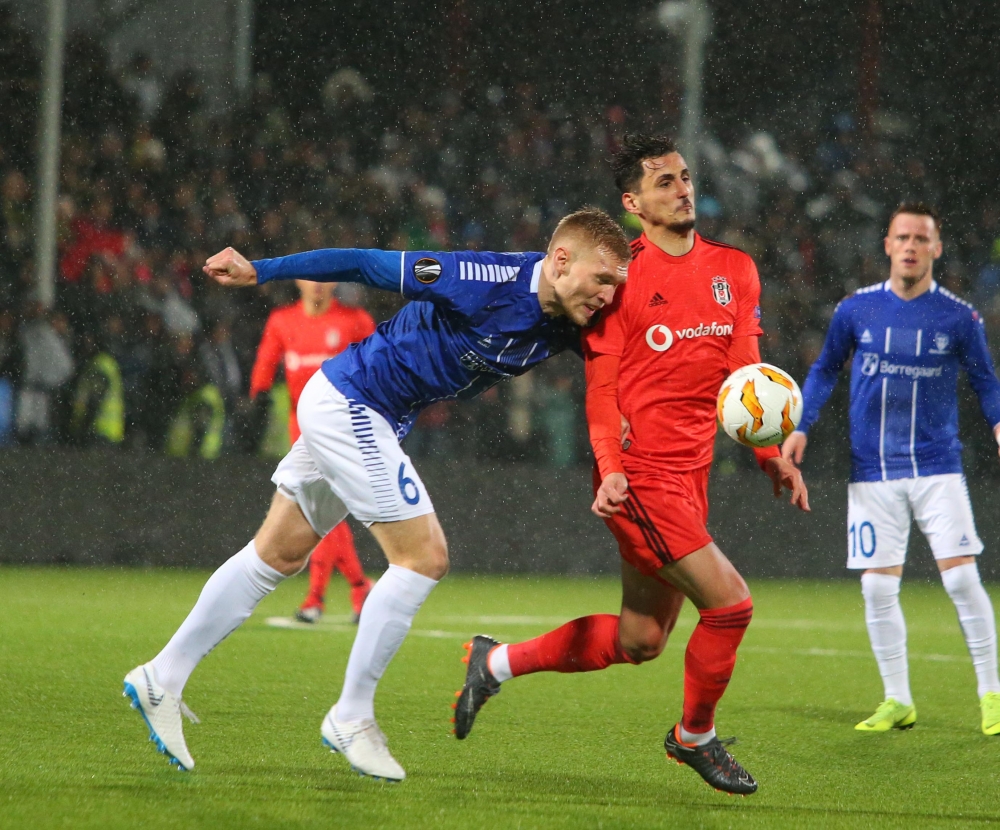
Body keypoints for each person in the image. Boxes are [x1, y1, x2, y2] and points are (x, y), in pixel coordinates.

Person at [122, 207, 631, 780]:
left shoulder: (575, 317)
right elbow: (364, 262)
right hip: (353, 403)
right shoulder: (481, 280)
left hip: (369, 410)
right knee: (423, 557)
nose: (609, 296)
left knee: (279, 553)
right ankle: (351, 716)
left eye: (618, 284)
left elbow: (620, 373)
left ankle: (161, 676)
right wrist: (260, 271)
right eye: (603, 278)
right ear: (560, 260)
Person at [452, 135, 809, 796]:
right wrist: (610, 465)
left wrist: (769, 455)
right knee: (730, 607)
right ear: (633, 202)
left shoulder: (737, 269)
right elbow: (602, 389)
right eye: (665, 182)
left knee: (641, 640)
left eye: (684, 177)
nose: (682, 189)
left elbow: (747, 381)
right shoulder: (619, 276)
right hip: (639, 477)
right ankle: (693, 738)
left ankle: (493, 663)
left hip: (691, 477)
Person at [781, 203, 1000, 736]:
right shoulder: (855, 310)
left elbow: (987, 382)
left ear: (936, 249)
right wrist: (802, 423)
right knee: (878, 590)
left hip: (937, 467)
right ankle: (898, 700)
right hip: (872, 470)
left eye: (921, 238)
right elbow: (825, 368)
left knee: (964, 579)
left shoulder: (958, 317)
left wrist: (998, 423)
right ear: (886, 245)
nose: (910, 246)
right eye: (902, 236)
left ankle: (992, 695)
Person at [249, 279, 376, 624]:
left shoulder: (355, 321)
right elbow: (264, 366)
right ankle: (357, 589)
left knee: (322, 511)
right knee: (321, 512)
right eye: (310, 278)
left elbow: (378, 366)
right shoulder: (282, 321)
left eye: (324, 278)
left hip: (341, 428)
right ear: (298, 281)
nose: (317, 285)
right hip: (298, 429)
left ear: (335, 281)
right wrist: (255, 398)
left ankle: (319, 597)